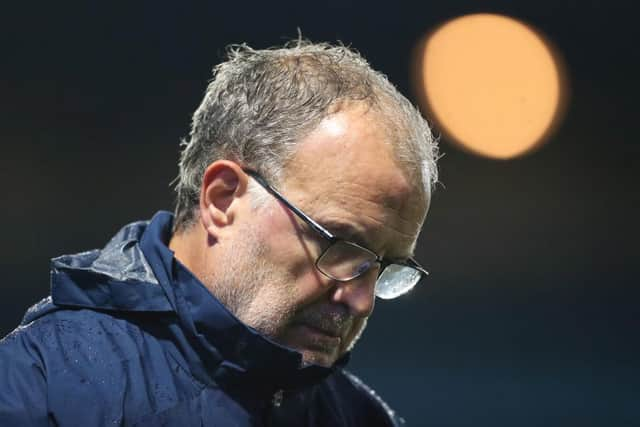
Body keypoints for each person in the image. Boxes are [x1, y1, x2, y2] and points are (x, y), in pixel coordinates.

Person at [0, 40, 438, 426]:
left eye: (386, 268)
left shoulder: (363, 419)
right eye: (339, 245)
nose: (361, 301)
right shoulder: (35, 394)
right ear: (223, 199)